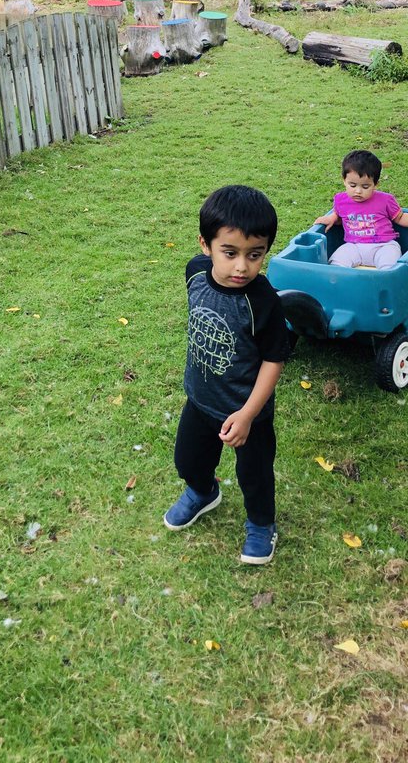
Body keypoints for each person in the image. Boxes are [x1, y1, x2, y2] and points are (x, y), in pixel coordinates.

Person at [164, 185, 291, 565]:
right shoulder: (195, 273)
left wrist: (249, 414)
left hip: (247, 412)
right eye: (230, 253)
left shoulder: (263, 300)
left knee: (255, 476)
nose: (242, 267)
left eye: (255, 255)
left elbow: (274, 360)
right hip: (200, 400)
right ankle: (203, 492)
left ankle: (261, 524)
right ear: (206, 245)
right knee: (187, 461)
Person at [314, 149, 408, 269]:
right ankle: (338, 284)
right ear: (344, 180)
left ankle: (385, 285)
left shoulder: (385, 200)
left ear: (375, 184)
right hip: (354, 246)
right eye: (352, 185)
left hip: (384, 245)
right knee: (336, 262)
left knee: (390, 266)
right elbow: (339, 214)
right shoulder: (341, 200)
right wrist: (331, 218)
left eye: (365, 186)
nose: (358, 191)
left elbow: (400, 217)